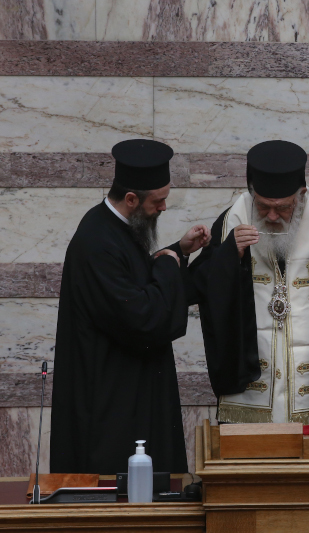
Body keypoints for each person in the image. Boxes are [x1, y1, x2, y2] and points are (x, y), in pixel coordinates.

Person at [50, 139, 211, 474]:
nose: (164, 208)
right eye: (159, 200)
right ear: (131, 199)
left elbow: (135, 283)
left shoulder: (116, 229)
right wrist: (168, 262)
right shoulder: (96, 242)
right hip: (111, 408)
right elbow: (142, 317)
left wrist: (177, 251)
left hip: (130, 394)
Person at [188, 140, 309, 424]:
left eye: (282, 208)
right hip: (251, 385)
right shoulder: (232, 220)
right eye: (263, 207)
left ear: (301, 194)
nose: (272, 216)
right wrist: (228, 255)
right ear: (252, 194)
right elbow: (198, 285)